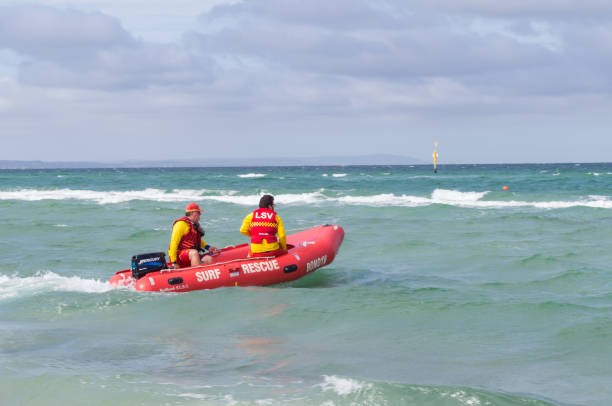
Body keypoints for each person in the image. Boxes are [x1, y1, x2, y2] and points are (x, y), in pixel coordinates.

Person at [169, 203, 217, 269]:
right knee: (194, 252)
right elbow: (173, 243)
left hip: (190, 255)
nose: (200, 215)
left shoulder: (193, 224)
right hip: (180, 256)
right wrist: (173, 262)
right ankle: (195, 274)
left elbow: (196, 240)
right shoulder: (180, 224)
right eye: (199, 213)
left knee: (209, 259)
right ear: (192, 214)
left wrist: (208, 247)